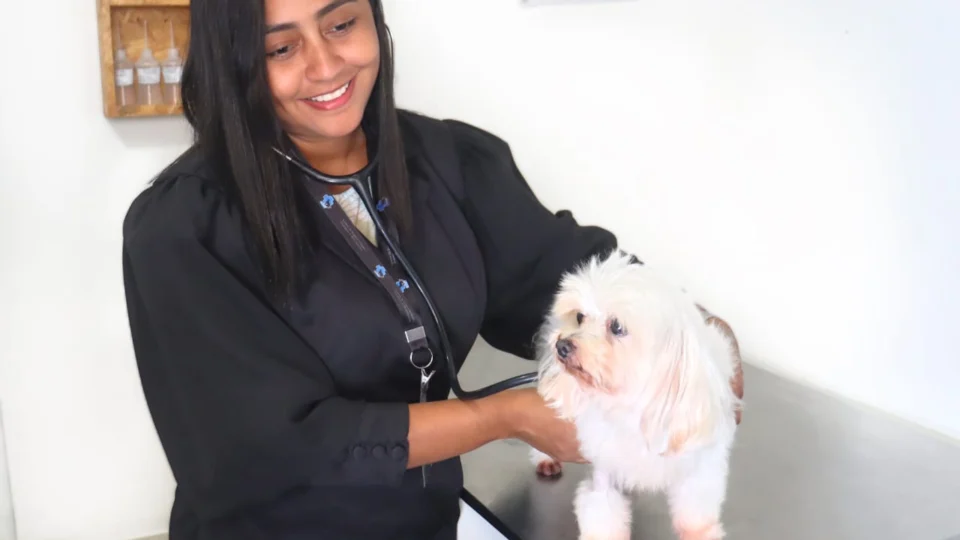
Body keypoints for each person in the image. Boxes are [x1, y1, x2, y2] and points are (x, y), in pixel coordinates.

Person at [120, 0, 745, 538]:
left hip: (423, 524)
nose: (325, 65)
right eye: (281, 48)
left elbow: (564, 272)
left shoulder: (448, 163)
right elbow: (260, 448)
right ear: (233, 65)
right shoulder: (182, 231)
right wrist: (498, 418)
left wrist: (699, 338)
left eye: (341, 25)